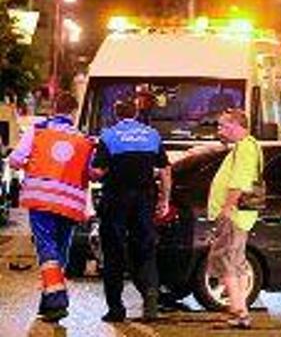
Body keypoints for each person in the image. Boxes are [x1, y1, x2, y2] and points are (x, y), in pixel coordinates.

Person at [8, 92, 94, 322]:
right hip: (70, 202)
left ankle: (57, 299)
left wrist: (30, 164)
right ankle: (48, 304)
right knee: (60, 250)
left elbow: (15, 160)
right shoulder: (84, 140)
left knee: (47, 247)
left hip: (42, 197)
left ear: (54, 107)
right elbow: (92, 172)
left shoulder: (38, 130)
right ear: (74, 112)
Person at [91, 99, 171, 322]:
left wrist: (91, 171)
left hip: (115, 200)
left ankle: (116, 309)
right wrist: (165, 199)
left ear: (116, 114)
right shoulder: (152, 135)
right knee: (146, 249)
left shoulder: (108, 136)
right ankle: (151, 295)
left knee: (113, 252)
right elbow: (165, 170)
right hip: (144, 200)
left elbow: (97, 172)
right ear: (136, 113)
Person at [206, 108, 262, 329]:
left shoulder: (245, 148)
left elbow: (239, 182)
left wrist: (227, 207)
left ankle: (239, 312)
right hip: (239, 215)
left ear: (237, 125)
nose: (220, 130)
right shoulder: (249, 146)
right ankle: (239, 310)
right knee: (235, 263)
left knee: (226, 261)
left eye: (223, 126)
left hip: (234, 215)